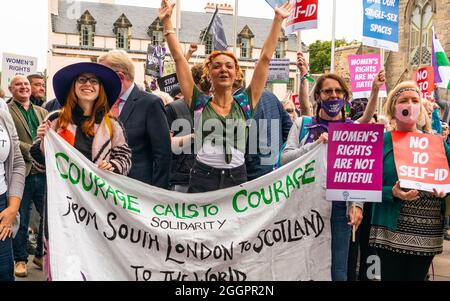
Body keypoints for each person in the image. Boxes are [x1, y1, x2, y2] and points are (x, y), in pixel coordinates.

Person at [160, 0, 293, 192]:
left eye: (229, 66)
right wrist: (167, 23)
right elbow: (179, 59)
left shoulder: (246, 103)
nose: (223, 70)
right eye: (217, 66)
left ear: (237, 74)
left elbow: (264, 59)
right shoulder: (198, 103)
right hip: (202, 177)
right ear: (209, 74)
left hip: (237, 176)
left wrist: (278, 20)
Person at [280, 70, 385, 281]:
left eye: (338, 91)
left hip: (339, 210)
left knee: (338, 271)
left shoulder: (352, 130)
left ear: (346, 97)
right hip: (305, 209)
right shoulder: (303, 125)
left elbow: (357, 173)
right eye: (327, 91)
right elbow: (285, 159)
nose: (333, 95)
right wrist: (313, 146)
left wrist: (357, 206)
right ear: (317, 96)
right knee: (304, 266)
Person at [369, 81, 449, 281]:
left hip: (426, 232)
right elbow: (365, 185)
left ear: (421, 108)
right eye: (403, 100)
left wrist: (444, 190)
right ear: (392, 108)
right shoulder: (380, 141)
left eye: (415, 100)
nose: (410, 105)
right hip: (390, 230)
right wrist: (391, 192)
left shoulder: (436, 143)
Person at [31, 62, 132, 175]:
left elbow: (124, 158)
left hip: (96, 191)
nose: (88, 84)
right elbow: (39, 165)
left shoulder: (112, 124)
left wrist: (112, 166)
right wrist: (43, 141)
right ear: (73, 86)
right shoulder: (55, 119)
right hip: (60, 191)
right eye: (82, 80)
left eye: (94, 81)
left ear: (100, 89)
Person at [98, 50, 171, 189]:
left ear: (119, 77)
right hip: (105, 191)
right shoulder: (100, 104)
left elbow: (163, 155)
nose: (98, 81)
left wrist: (158, 196)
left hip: (138, 192)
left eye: (102, 76)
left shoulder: (150, 103)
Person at [7, 75, 48, 277]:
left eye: (25, 84)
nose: (23, 87)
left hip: (43, 172)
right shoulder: (6, 111)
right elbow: (11, 142)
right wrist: (33, 149)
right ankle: (21, 260)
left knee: (47, 217)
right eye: (18, 84)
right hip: (20, 172)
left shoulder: (43, 112)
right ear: (10, 88)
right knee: (21, 220)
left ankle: (40, 253)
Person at [0, 109, 26, 281]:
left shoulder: (2, 111)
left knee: (4, 270)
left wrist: (13, 208)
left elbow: (17, 162)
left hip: (2, 205)